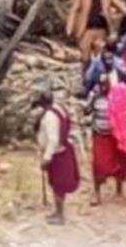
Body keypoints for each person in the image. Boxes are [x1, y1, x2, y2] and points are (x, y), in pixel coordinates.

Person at [86, 73, 126, 205]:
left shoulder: (119, 94)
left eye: (105, 84)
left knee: (120, 161)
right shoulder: (94, 95)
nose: (103, 87)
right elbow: (87, 110)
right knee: (98, 165)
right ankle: (97, 194)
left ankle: (119, 190)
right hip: (100, 134)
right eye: (101, 84)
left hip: (115, 135)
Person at [36, 87, 80, 225]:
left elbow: (53, 139)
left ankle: (60, 215)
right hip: (64, 150)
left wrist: (46, 158)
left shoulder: (49, 117)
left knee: (58, 185)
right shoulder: (59, 108)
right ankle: (58, 211)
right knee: (59, 185)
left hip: (57, 154)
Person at [66, 0, 114, 65]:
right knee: (85, 57)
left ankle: (98, 77)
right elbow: (74, 10)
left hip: (101, 29)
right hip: (86, 29)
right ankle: (85, 77)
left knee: (100, 57)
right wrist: (69, 28)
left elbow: (120, 7)